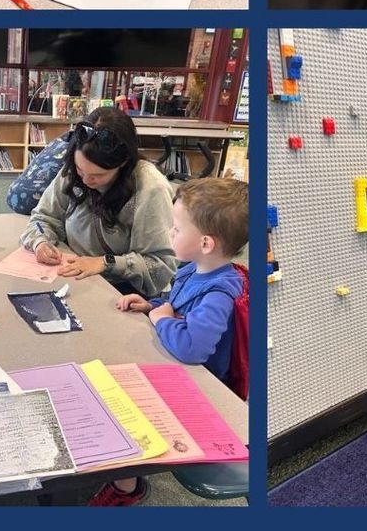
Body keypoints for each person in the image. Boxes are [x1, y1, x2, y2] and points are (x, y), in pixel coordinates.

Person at [101, 177, 248, 506]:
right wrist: (151, 306)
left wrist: (161, 318)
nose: (169, 234)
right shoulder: (194, 270)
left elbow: (192, 348)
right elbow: (178, 308)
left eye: (177, 229)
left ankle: (126, 486)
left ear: (206, 243)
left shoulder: (220, 292)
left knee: (122, 406)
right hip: (179, 372)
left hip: (202, 391)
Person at [18, 108, 176, 297]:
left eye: (98, 175)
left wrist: (105, 263)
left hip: (123, 292)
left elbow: (160, 266)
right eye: (80, 169)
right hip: (75, 277)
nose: (85, 180)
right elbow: (43, 217)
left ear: (123, 162)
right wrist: (40, 243)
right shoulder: (74, 171)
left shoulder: (151, 188)